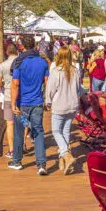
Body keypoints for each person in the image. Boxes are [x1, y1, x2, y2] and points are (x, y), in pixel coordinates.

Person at [8, 34, 50, 175]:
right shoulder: (43, 62)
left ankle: (17, 161)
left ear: (22, 46)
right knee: (38, 132)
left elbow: (15, 84)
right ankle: (41, 164)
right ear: (35, 45)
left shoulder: (19, 62)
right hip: (37, 101)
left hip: (22, 103)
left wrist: (13, 104)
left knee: (19, 132)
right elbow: (46, 82)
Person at [46, 46, 82, 175]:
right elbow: (78, 88)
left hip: (59, 105)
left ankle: (66, 155)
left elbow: (50, 89)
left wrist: (48, 102)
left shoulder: (56, 71)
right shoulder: (76, 71)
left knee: (56, 131)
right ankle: (64, 160)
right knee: (65, 131)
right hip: (72, 104)